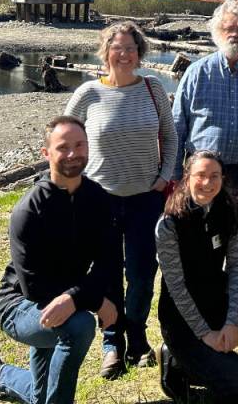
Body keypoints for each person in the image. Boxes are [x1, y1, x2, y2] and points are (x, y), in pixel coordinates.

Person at [0, 116, 120, 404]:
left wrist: (75, 297)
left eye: (79, 145)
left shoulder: (98, 199)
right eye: (63, 147)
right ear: (46, 153)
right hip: (21, 306)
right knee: (79, 326)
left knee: (41, 396)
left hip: (63, 302)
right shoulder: (29, 210)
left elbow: (109, 262)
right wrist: (91, 300)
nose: (73, 153)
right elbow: (35, 288)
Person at [64, 21, 178, 376]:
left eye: (131, 48)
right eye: (118, 48)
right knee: (108, 273)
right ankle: (112, 343)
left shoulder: (153, 88)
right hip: (101, 200)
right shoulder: (88, 93)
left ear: (139, 53)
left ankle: (137, 336)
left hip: (146, 198)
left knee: (143, 273)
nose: (124, 54)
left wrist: (164, 176)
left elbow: (170, 136)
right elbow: (64, 139)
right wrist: (72, 183)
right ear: (106, 52)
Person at [155, 151, 238, 403]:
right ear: (187, 177)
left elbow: (237, 268)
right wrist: (206, 334)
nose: (207, 182)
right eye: (200, 175)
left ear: (223, 178)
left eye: (214, 175)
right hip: (184, 323)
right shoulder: (169, 224)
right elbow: (176, 289)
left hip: (217, 304)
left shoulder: (225, 210)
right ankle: (177, 362)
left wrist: (232, 322)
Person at [172, 0, 238, 268]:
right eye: (228, 28)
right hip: (200, 173)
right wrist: (173, 176)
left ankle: (236, 295)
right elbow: (177, 126)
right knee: (196, 243)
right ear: (216, 32)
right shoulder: (197, 73)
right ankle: (197, 294)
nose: (235, 34)